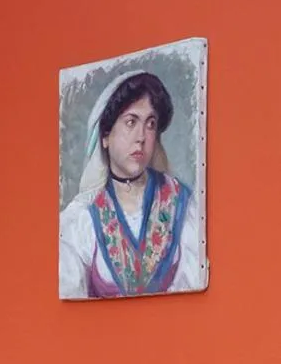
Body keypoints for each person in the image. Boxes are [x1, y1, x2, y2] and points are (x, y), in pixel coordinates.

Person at [59, 70, 203, 299]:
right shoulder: (82, 216)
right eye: (130, 122)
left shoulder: (181, 204)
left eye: (150, 124)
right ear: (105, 136)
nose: (141, 137)